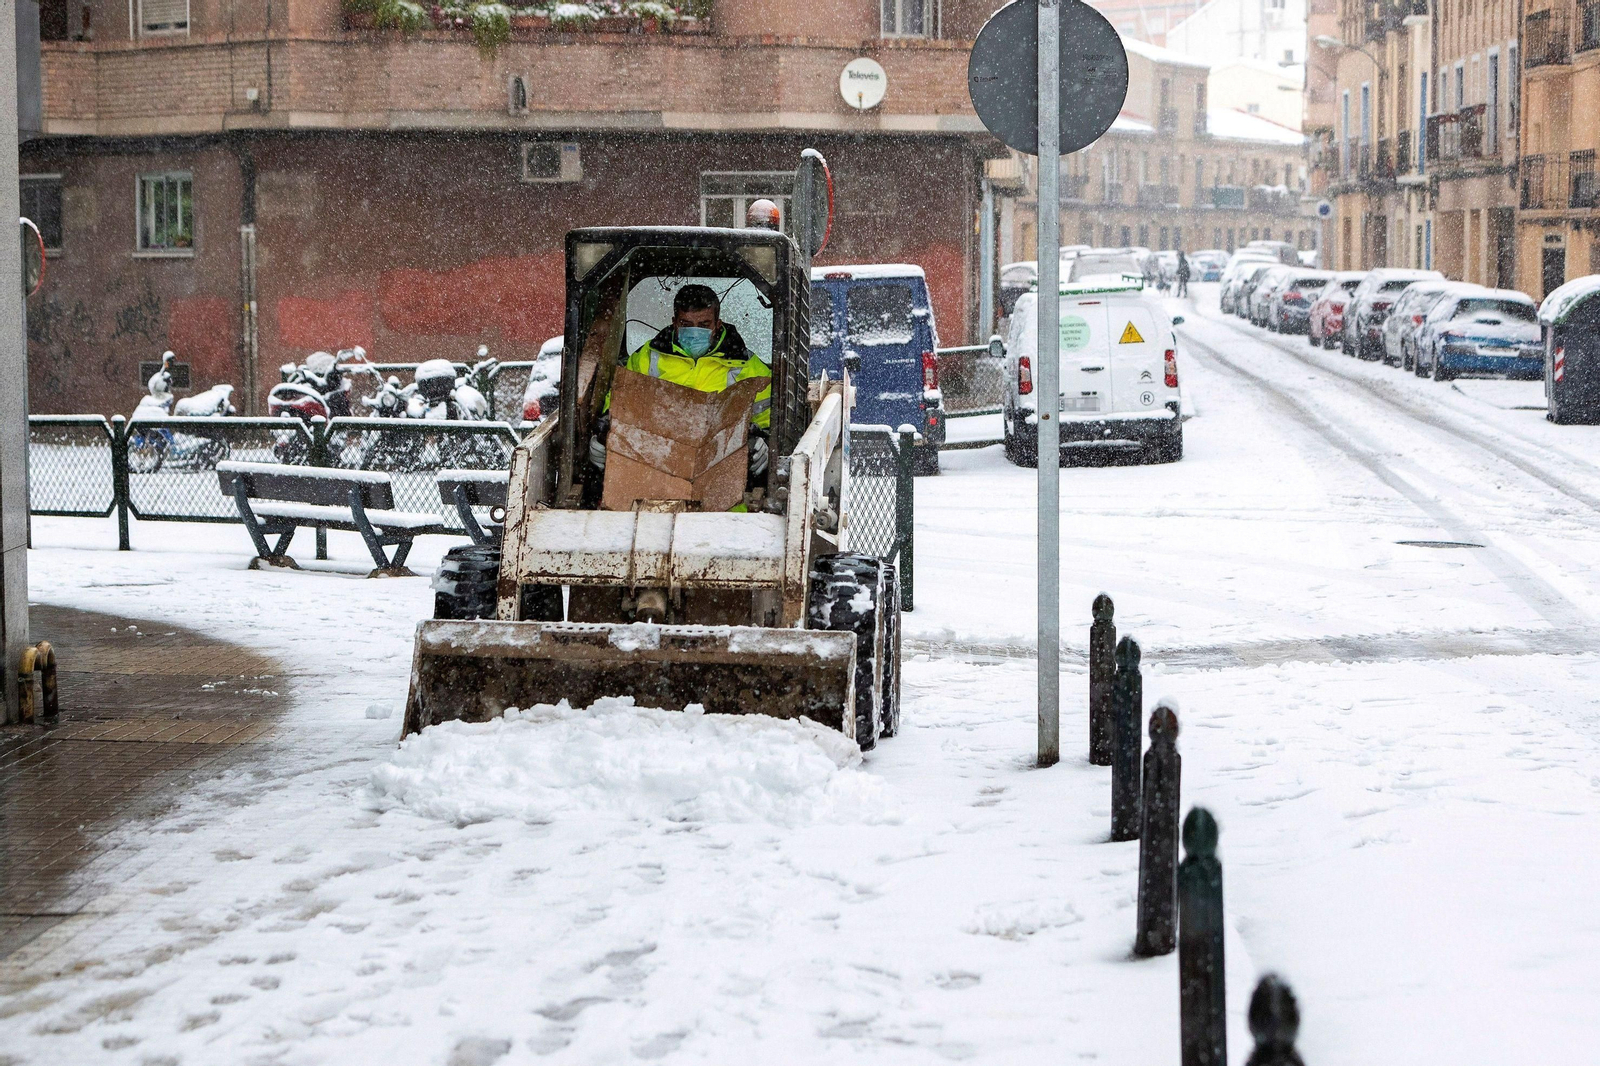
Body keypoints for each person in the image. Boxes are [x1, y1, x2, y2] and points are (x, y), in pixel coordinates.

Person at [591, 283, 773, 479]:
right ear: (675, 323)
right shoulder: (647, 358)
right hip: (655, 467)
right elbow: (620, 404)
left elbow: (769, 418)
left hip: (721, 470)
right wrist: (605, 435)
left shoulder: (748, 366)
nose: (695, 333)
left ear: (717, 325)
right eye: (686, 324)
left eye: (704, 325)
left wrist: (765, 442)